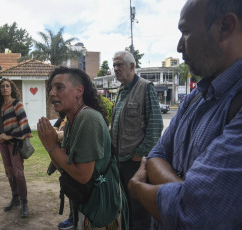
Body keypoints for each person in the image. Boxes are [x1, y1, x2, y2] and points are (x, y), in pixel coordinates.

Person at [128, 0, 242, 229]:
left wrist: (139, 189)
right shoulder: (195, 97)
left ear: (226, 26)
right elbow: (157, 154)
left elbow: (194, 214)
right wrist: (185, 192)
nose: (179, 47)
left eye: (186, 32)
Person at [37, 67, 128, 229]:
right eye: (51, 88)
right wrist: (52, 143)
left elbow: (82, 175)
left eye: (59, 87)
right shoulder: (73, 120)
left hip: (101, 210)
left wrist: (50, 145)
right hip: (89, 204)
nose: (51, 93)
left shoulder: (88, 118)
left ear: (79, 91)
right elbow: (65, 168)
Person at [111, 51, 163, 230]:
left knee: (140, 212)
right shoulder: (121, 91)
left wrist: (139, 154)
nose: (116, 68)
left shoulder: (145, 87)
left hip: (136, 164)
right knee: (126, 207)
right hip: (120, 161)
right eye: (114, 65)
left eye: (120, 65)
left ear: (132, 66)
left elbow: (155, 126)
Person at [0, 78, 32, 217]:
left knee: (19, 173)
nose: (5, 88)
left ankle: (24, 202)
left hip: (15, 144)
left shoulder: (17, 104)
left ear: (11, 88)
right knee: (9, 172)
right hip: (3, 145)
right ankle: (15, 198)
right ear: (0, 90)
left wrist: (9, 136)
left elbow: (24, 125)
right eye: (2, 86)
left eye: (7, 86)